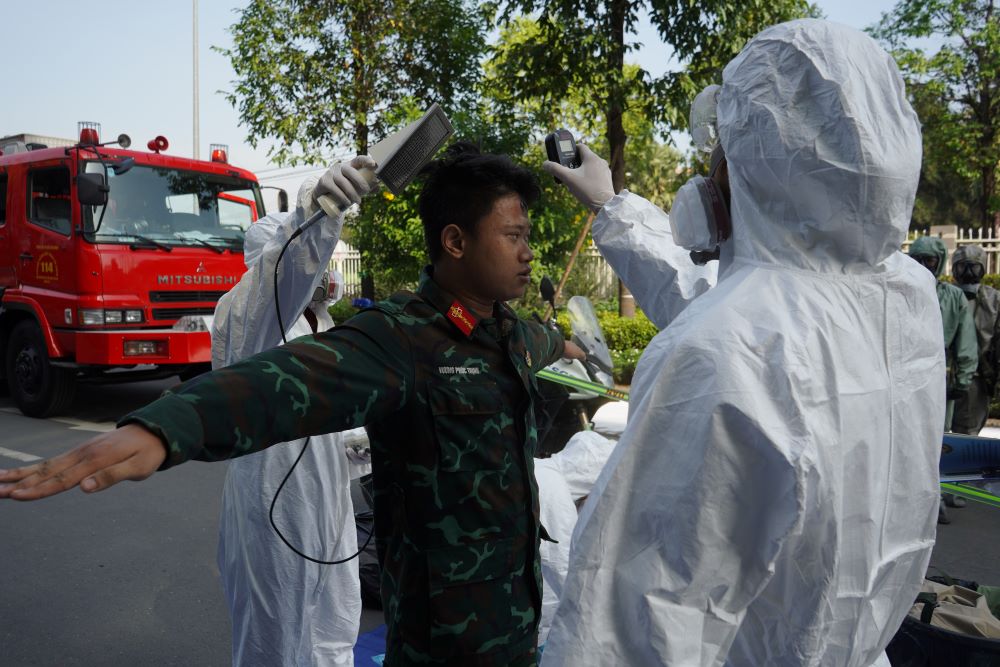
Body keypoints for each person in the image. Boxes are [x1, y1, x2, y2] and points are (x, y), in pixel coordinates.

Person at [0, 143, 585, 667]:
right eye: (514, 236)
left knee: (331, 625)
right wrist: (165, 427)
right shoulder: (402, 338)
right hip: (443, 631)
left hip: (509, 616)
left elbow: (531, 345)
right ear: (457, 241)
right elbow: (277, 379)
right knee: (275, 634)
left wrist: (566, 341)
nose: (528, 251)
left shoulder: (502, 331)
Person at [541, 19, 943, 666]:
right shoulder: (904, 299)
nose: (709, 171)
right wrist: (614, 210)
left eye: (719, 149)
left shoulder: (719, 351)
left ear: (758, 161)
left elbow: (628, 634)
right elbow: (742, 318)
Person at [212, 166, 365, 667]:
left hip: (329, 501)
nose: (325, 274)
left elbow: (333, 414)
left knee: (334, 625)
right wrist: (314, 212)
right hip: (274, 505)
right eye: (314, 262)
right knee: (274, 641)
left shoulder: (322, 325)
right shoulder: (244, 318)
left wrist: (361, 442)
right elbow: (284, 275)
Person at [908, 235, 977, 432]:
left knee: (936, 435)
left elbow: (966, 342)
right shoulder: (897, 291)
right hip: (904, 374)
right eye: (917, 259)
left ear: (940, 261)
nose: (922, 265)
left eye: (929, 260)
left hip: (940, 375)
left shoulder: (954, 297)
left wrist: (962, 381)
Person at [950, 243, 1000, 435]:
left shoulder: (994, 299)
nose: (969, 272)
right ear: (954, 268)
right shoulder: (946, 295)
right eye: (963, 266)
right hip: (946, 376)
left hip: (978, 379)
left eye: (974, 266)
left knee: (967, 433)